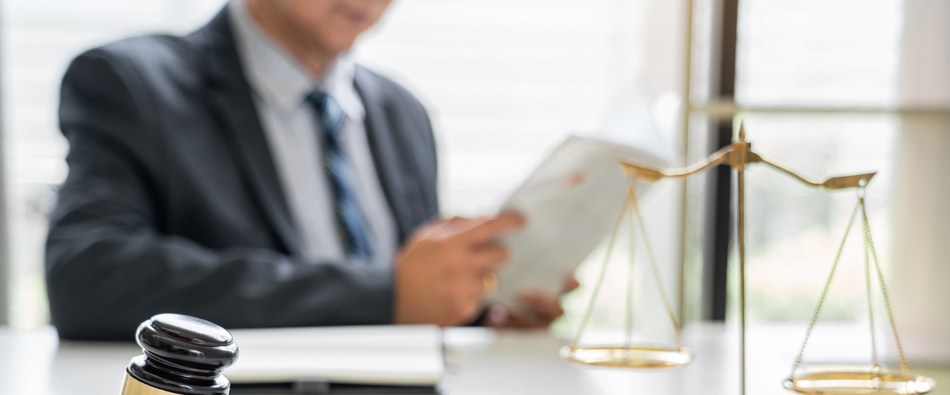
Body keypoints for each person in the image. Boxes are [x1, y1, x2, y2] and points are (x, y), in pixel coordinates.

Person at [45, 0, 571, 340]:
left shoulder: (401, 111)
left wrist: (480, 308)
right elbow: (89, 276)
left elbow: (409, 300)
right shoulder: (131, 83)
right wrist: (384, 293)